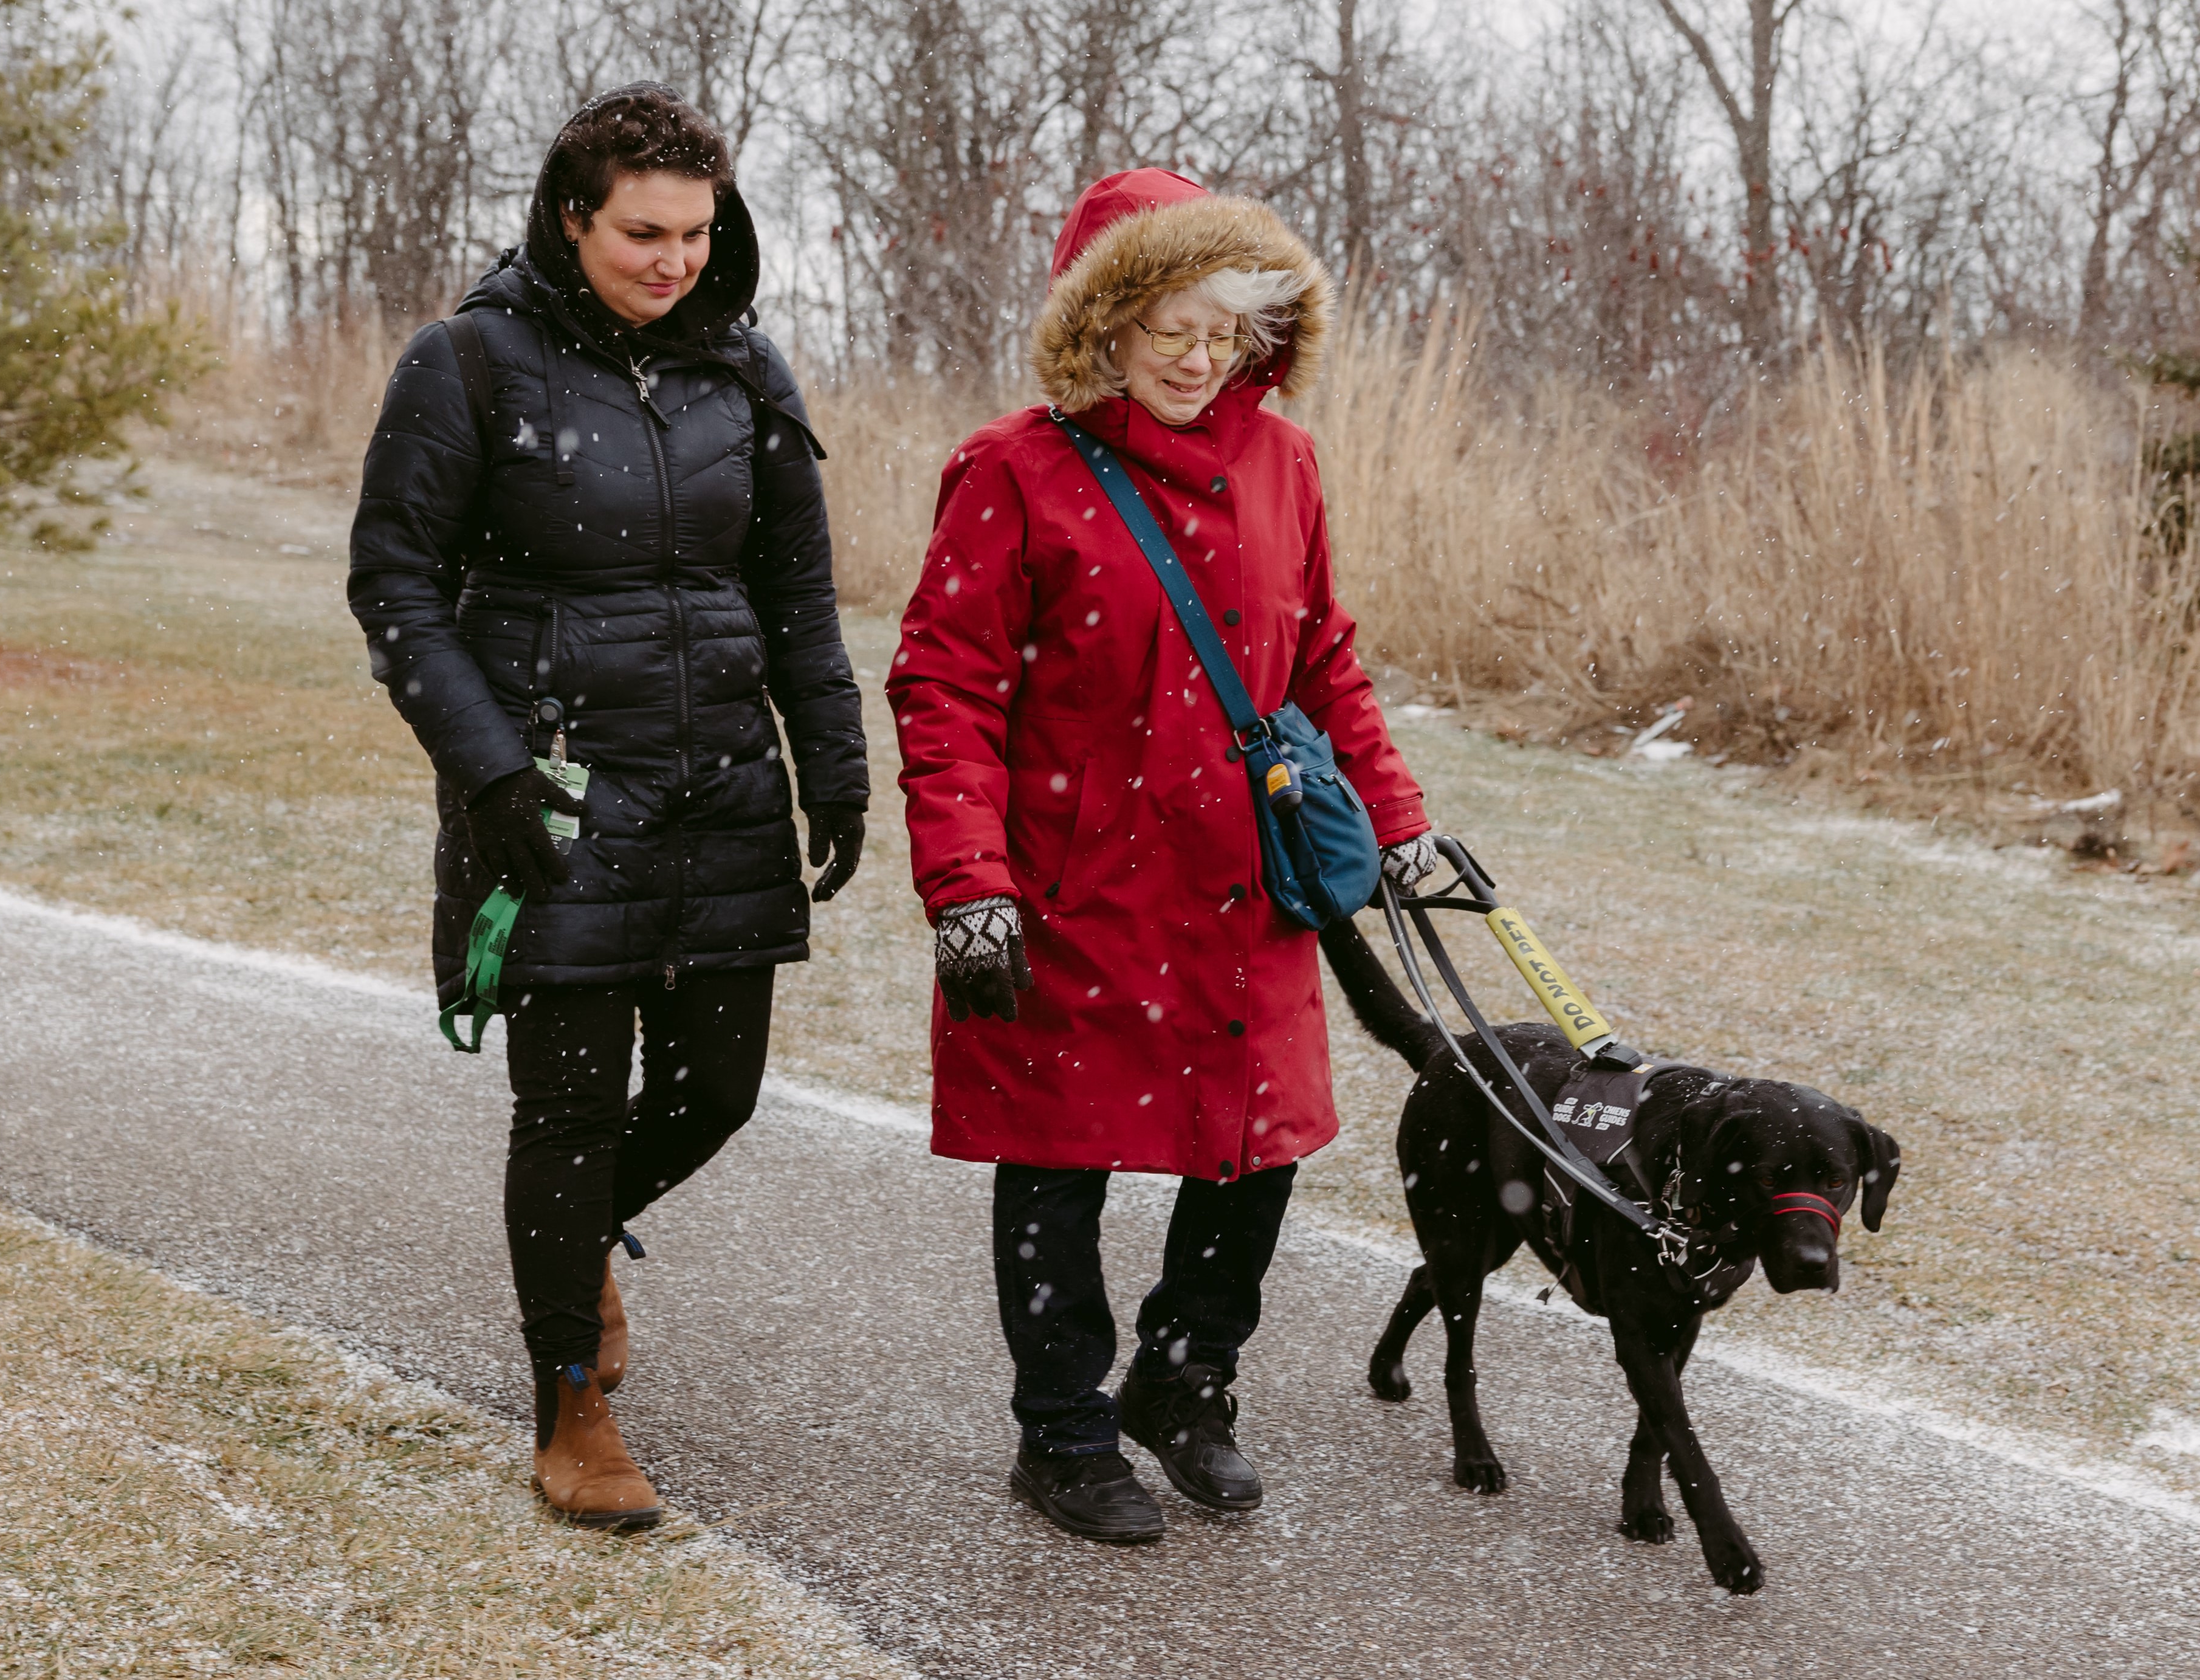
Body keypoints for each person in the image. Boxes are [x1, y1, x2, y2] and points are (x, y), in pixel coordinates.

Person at [888, 169, 1440, 1544]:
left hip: (1245, 876)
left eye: (1228, 328)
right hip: (1072, 883)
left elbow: (1322, 665)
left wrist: (1402, 821)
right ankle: (1062, 1428)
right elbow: (942, 687)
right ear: (1103, 326)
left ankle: (1185, 1381)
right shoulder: (1012, 468)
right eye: (1167, 327)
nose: (1200, 357)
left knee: (1258, 1146)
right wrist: (968, 885)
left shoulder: (1285, 463)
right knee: (1058, 1155)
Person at [348, 84, 867, 1529]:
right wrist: (489, 770)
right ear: (569, 217)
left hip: (721, 792)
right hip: (555, 791)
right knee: (567, 1102)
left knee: (719, 1089)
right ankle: (567, 1402)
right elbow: (393, 582)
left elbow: (796, 596)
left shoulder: (747, 372)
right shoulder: (467, 363)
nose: (673, 260)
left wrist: (834, 762)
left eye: (697, 233)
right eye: (643, 231)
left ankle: (570, 1247)